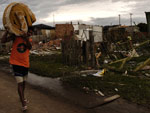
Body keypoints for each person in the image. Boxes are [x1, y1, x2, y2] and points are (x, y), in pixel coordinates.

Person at [1, 28, 33, 111]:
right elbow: (3, 41)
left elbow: (29, 47)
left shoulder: (29, 39)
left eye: (31, 33)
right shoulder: (15, 37)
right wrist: (7, 31)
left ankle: (22, 98)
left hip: (25, 64)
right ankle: (23, 103)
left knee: (24, 83)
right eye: (28, 32)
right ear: (25, 31)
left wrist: (25, 37)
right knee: (20, 84)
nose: (30, 34)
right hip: (16, 63)